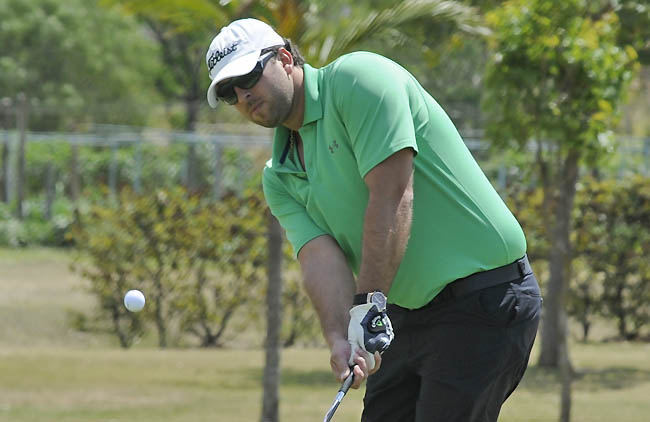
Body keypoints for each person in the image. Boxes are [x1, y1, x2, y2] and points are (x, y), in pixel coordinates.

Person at [204, 18, 543, 422]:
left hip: (485, 298)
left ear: (284, 58)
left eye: (249, 77)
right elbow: (318, 258)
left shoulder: (358, 80)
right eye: (228, 92)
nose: (243, 95)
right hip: (399, 313)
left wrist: (367, 306)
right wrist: (339, 336)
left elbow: (392, 197)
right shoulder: (279, 175)